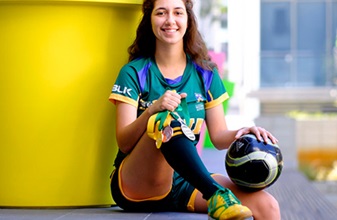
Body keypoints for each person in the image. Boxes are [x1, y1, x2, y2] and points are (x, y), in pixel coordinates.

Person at [109, 0, 281, 219]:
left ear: (188, 19)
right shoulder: (134, 72)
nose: (170, 20)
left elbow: (218, 137)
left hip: (184, 182)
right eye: (161, 13)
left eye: (178, 12)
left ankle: (215, 194)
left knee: (267, 205)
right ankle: (215, 194)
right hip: (136, 184)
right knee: (166, 120)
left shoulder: (205, 73)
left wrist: (244, 132)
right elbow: (123, 141)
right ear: (149, 19)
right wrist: (153, 109)